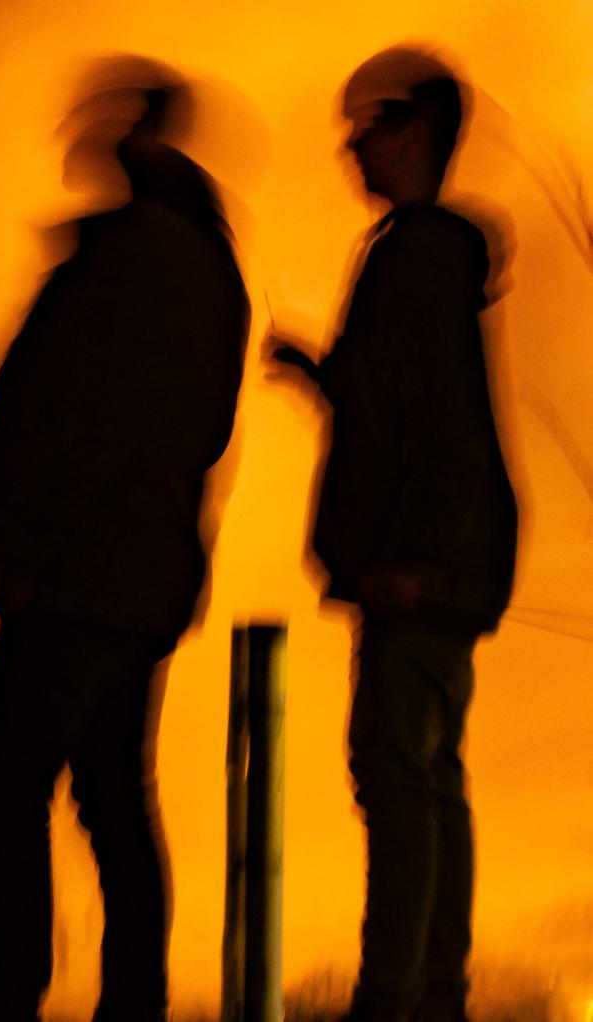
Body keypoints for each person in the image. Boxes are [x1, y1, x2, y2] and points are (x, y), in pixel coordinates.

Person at [0, 59, 249, 1022]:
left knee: (4, 786)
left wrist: (20, 548)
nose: (84, 143)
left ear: (138, 133)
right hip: (139, 572)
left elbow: (65, 419)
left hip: (77, 574)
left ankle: (11, 997)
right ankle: (133, 1001)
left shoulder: (131, 259)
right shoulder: (202, 261)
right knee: (114, 794)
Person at [268, 46, 518, 1022]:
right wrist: (320, 373)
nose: (347, 152)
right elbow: (397, 402)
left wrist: (408, 560)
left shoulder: (413, 256)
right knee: (425, 776)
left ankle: (396, 998)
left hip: (418, 568)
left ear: (409, 133)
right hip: (438, 561)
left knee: (395, 775)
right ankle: (430, 991)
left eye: (361, 129)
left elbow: (431, 422)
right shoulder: (424, 259)